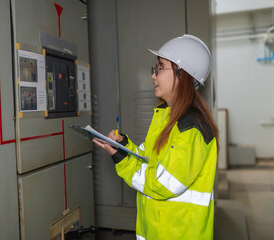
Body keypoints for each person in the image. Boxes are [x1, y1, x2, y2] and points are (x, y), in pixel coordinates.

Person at [93, 34, 219, 240]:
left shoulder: (191, 129)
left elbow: (163, 183)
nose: (153, 75)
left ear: (183, 75)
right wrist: (124, 147)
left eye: (160, 68)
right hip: (157, 229)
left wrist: (123, 161)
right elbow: (149, 158)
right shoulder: (166, 116)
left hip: (179, 233)